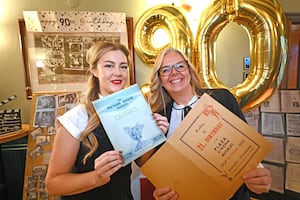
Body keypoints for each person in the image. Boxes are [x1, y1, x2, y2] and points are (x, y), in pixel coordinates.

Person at [45, 42, 168, 199]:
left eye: (123, 67)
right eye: (109, 66)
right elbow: (52, 184)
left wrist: (153, 136)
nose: (118, 73)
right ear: (94, 70)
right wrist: (96, 177)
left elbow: (142, 161)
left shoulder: (132, 110)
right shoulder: (76, 118)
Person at [146, 47, 272, 200]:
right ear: (160, 79)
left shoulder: (222, 98)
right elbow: (163, 173)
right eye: (165, 70)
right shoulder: (159, 119)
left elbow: (246, 147)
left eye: (179, 66)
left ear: (189, 70)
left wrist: (258, 179)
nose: (174, 73)